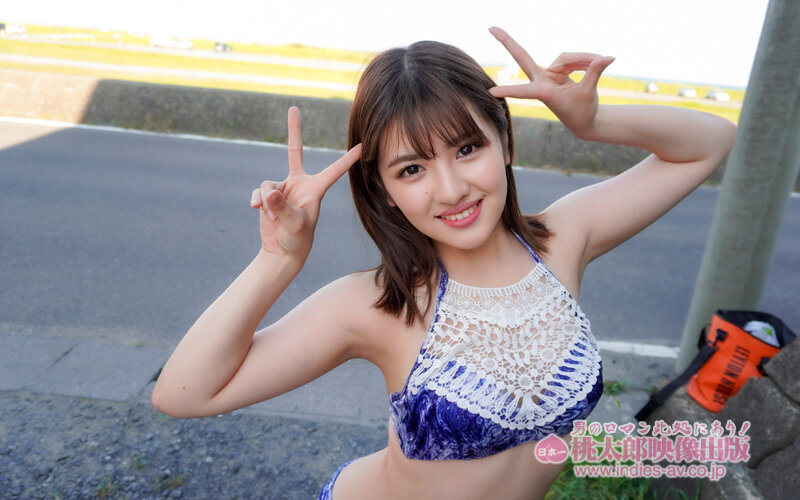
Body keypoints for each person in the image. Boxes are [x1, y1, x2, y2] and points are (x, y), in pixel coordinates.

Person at [152, 26, 736, 499]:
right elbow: (183, 394)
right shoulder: (379, 304)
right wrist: (278, 259)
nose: (452, 189)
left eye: (467, 148)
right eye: (412, 169)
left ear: (504, 142)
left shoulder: (564, 239)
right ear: (384, 191)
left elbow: (710, 143)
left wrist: (593, 124)